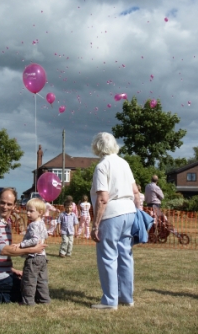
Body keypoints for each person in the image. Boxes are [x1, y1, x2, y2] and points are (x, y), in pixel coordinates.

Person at [89, 132, 141, 310]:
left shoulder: (102, 165)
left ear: (97, 146)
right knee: (125, 255)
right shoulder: (124, 163)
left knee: (108, 256)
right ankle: (127, 297)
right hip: (129, 211)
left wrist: (96, 224)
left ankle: (110, 300)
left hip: (112, 214)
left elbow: (103, 197)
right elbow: (135, 191)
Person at [17, 198, 50, 306]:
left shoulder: (33, 225)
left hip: (33, 256)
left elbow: (35, 240)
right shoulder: (42, 223)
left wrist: (21, 244)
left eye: (31, 211)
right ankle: (44, 299)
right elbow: (45, 235)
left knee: (29, 279)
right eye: (27, 210)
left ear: (40, 212)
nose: (28, 213)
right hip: (42, 257)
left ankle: (28, 301)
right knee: (42, 280)